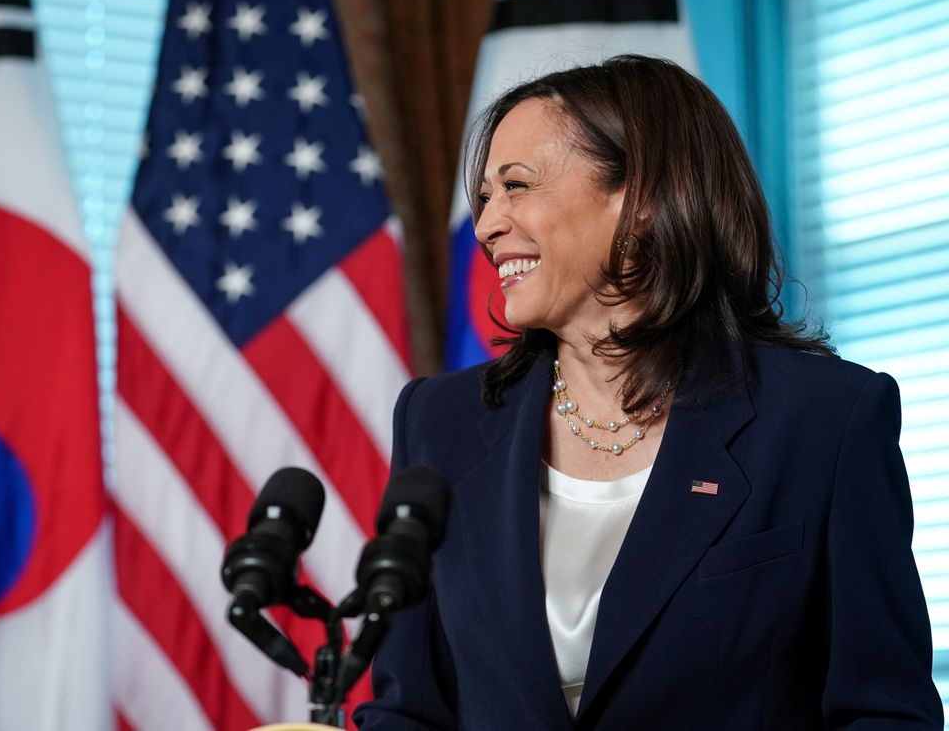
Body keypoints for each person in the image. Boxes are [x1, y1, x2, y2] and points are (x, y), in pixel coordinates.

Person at [353, 56, 942, 729]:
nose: (487, 225)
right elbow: (406, 710)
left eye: (516, 186)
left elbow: (885, 714)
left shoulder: (825, 420)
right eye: (486, 197)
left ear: (642, 201)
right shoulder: (439, 423)